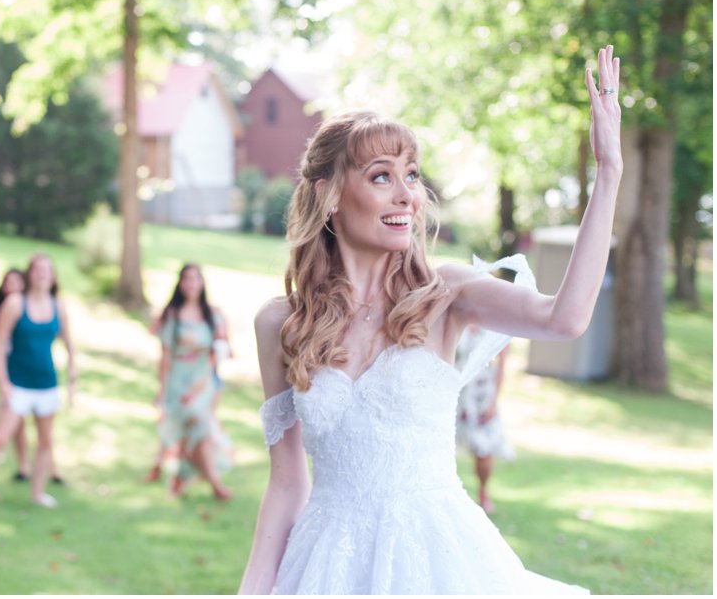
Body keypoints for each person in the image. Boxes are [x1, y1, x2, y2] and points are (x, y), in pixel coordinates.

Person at [238, 46, 620, 594]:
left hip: (438, 558)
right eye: (381, 176)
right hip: (326, 566)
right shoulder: (281, 324)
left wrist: (608, 172)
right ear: (329, 197)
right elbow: (285, 484)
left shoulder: (446, 295)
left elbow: (566, 318)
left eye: (411, 175)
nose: (407, 195)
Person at [0, 253, 77, 514]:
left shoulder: (59, 306)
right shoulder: (15, 304)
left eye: (47, 269)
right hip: (18, 384)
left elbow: (69, 345)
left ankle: (38, 493)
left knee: (45, 441)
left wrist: (73, 379)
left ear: (53, 276)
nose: (42, 273)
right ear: (29, 274)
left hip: (47, 384)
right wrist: (3, 382)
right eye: (37, 269)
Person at [151, 263, 233, 500]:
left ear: (202, 283)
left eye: (195, 278)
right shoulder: (173, 316)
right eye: (186, 279)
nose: (191, 283)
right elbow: (165, 355)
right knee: (190, 432)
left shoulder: (212, 314)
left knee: (200, 425)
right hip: (178, 380)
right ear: (180, 283)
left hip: (203, 381)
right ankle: (190, 479)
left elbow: (220, 348)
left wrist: (207, 377)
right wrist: (162, 389)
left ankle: (203, 482)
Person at [455, 327, 515, 515]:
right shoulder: (456, 321)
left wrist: (493, 402)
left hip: (482, 396)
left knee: (484, 449)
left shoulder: (495, 327)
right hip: (454, 391)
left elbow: (502, 367)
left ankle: (483, 493)